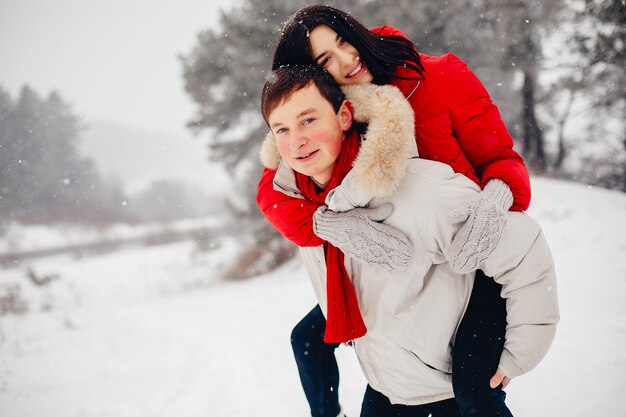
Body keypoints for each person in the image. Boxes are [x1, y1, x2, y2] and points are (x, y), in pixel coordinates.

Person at [256, 5, 532, 417]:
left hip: (471, 255)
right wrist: (329, 224)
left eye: (344, 42)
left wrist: (494, 204)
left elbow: (502, 159)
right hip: (401, 265)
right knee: (313, 343)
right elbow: (274, 193)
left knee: (472, 387)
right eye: (324, 60)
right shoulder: (337, 116)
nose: (347, 60)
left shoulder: (439, 76)